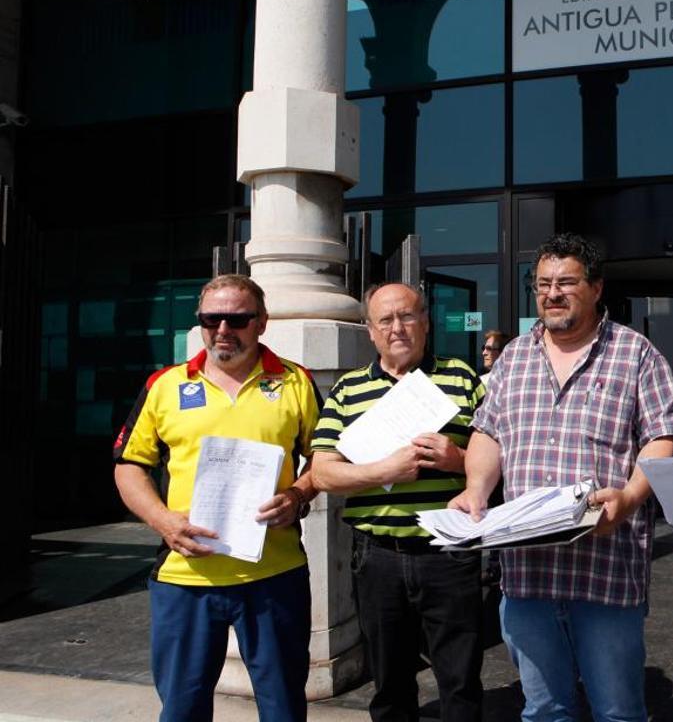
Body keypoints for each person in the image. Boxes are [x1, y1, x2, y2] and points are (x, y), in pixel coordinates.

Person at [449, 232, 673, 722]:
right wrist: (475, 489)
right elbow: (489, 434)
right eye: (543, 284)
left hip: (605, 570)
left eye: (566, 282)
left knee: (618, 711)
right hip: (527, 574)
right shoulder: (513, 358)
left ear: (596, 287)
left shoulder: (636, 354)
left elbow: (661, 438)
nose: (552, 293)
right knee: (544, 710)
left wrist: (633, 496)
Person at [112, 274, 320, 721]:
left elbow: (324, 460)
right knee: (183, 709)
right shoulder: (164, 385)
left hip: (273, 574)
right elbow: (128, 466)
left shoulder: (295, 381)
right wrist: (163, 521)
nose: (222, 329)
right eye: (211, 318)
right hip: (186, 577)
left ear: (261, 322)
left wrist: (299, 494)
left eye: (237, 318)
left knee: (283, 706)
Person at [310, 282, 485, 722]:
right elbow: (323, 472)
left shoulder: (461, 378)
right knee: (388, 684)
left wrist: (457, 459)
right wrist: (384, 471)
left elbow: (498, 458)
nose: (397, 328)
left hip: (449, 553)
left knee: (460, 680)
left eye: (407, 316)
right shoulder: (348, 390)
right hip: (378, 557)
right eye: (385, 320)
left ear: (425, 322)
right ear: (370, 331)